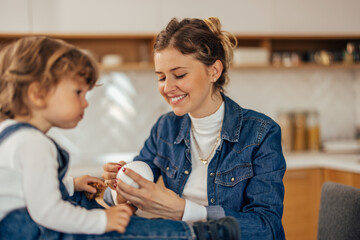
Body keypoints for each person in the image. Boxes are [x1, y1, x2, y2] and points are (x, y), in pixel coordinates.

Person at [0, 36, 240, 240]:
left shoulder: (12, 136)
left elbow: (24, 189)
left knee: (106, 216)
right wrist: (102, 220)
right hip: (39, 231)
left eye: (178, 75)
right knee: (126, 231)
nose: (85, 102)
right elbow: (46, 211)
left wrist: (71, 185)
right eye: (78, 92)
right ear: (38, 94)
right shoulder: (33, 143)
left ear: (214, 71)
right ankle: (199, 234)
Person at [102, 17, 286, 240]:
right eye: (161, 77)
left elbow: (267, 227)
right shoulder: (165, 128)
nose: (168, 87)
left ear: (214, 71)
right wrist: (120, 186)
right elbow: (130, 189)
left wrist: (182, 209)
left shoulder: (260, 133)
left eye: (179, 75)